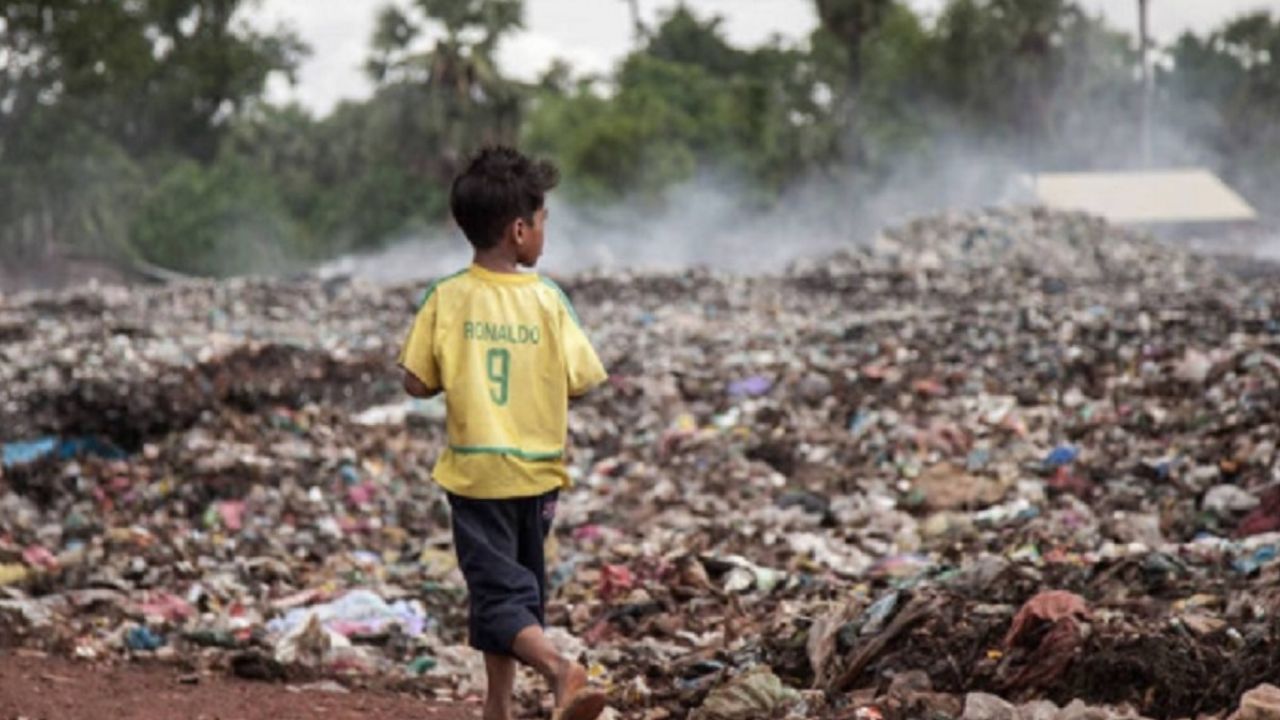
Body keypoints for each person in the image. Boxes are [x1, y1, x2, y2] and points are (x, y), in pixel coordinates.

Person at [398, 146, 608, 720]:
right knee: (517, 593)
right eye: (542, 222)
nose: (544, 234)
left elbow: (416, 382)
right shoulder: (547, 301)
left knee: (498, 594)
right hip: (539, 474)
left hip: (477, 473)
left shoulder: (447, 298)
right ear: (519, 230)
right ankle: (498, 707)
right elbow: (584, 380)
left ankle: (562, 671)